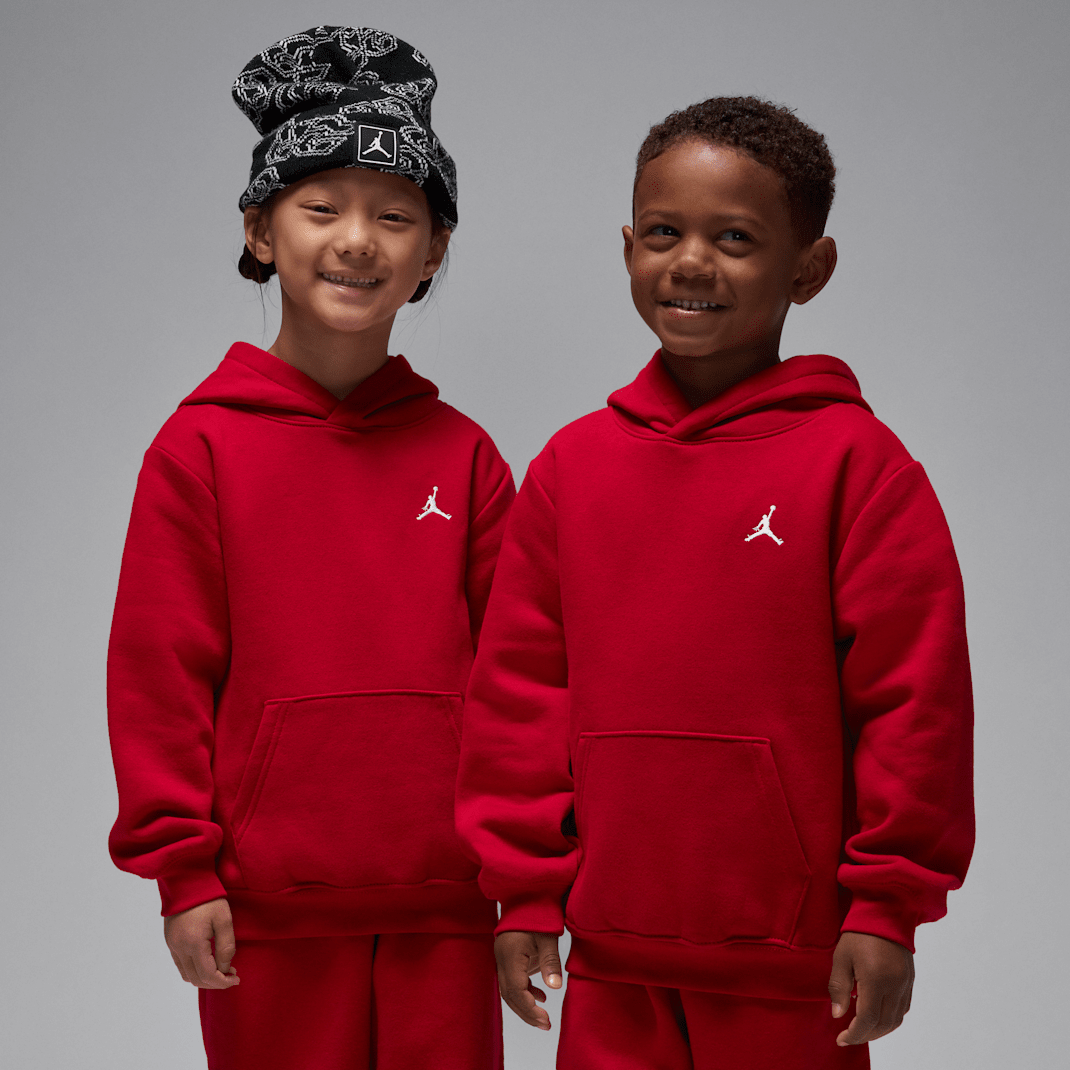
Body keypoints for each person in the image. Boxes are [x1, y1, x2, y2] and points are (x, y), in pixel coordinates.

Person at [455, 96, 974, 1069]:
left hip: (791, 966)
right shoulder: (571, 469)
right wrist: (522, 891)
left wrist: (886, 907)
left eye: (734, 237)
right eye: (663, 233)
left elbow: (913, 705)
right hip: (610, 962)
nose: (690, 262)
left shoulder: (857, 467)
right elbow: (520, 696)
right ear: (626, 249)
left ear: (808, 268)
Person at [107, 26, 513, 1070]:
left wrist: (528, 880)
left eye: (395, 216)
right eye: (321, 207)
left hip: (447, 903)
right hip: (266, 909)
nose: (358, 241)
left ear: (433, 251)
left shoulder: (466, 457)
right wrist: (183, 870)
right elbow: (159, 676)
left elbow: (520, 678)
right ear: (259, 229)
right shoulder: (199, 450)